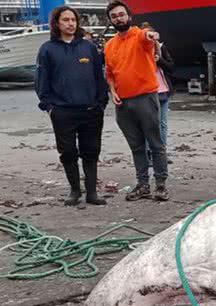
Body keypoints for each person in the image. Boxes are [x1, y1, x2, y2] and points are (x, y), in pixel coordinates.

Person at [35, 5, 108, 206]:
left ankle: (91, 192)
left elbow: (98, 78)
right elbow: (42, 80)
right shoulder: (47, 49)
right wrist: (49, 107)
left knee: (91, 151)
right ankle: (75, 190)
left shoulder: (88, 48)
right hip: (62, 112)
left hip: (90, 110)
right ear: (57, 24)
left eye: (73, 20)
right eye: (66, 20)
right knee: (67, 152)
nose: (70, 24)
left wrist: (101, 103)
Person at [104, 0, 169, 201]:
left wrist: (152, 35)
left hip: (145, 98)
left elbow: (148, 36)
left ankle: (160, 184)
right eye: (114, 16)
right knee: (136, 146)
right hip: (123, 103)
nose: (118, 18)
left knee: (155, 143)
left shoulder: (139, 36)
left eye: (121, 14)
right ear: (110, 20)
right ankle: (143, 185)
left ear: (129, 17)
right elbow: (110, 73)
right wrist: (112, 91)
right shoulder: (109, 45)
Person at [141, 23, 174, 166]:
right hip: (148, 92)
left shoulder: (161, 48)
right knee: (150, 125)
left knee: (162, 124)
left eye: (152, 35)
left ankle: (161, 153)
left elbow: (171, 66)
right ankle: (149, 154)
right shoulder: (140, 51)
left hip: (164, 91)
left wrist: (158, 60)